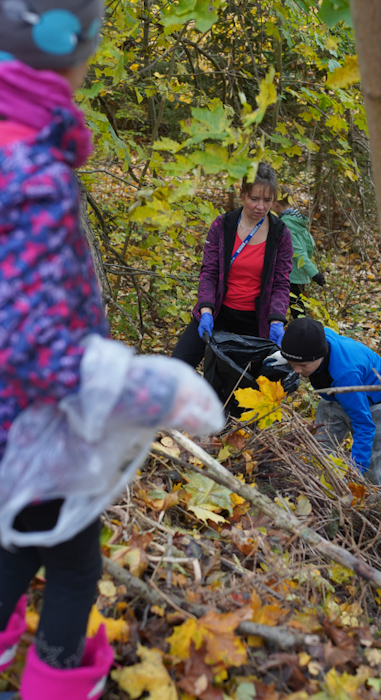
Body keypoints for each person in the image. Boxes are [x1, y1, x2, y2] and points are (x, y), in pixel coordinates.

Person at [0, 3, 224, 699]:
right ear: (75, 48)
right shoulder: (31, 170)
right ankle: (59, 680)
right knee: (67, 570)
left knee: (18, 550)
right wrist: (145, 389)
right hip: (29, 426)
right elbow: (32, 343)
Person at [172, 163, 293, 367]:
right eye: (254, 199)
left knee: (238, 382)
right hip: (218, 310)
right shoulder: (223, 225)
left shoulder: (280, 234)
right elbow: (209, 273)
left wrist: (277, 319)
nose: (261, 207)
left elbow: (281, 283)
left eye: (267, 200)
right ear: (242, 194)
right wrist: (206, 311)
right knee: (177, 364)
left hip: (255, 319)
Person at [280, 318, 381, 485]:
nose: (296, 370)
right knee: (319, 449)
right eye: (292, 363)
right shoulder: (313, 338)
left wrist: (356, 471)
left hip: (371, 401)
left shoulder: (345, 376)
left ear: (320, 355)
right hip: (333, 395)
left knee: (370, 462)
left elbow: (365, 426)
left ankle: (371, 496)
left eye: (302, 365)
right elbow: (296, 348)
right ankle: (317, 485)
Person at [272, 185, 325, 318]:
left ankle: (299, 334)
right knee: (298, 308)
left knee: (296, 310)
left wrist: (315, 274)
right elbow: (310, 244)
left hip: (292, 275)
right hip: (299, 273)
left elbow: (298, 251)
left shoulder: (285, 224)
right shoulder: (297, 219)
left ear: (276, 204)